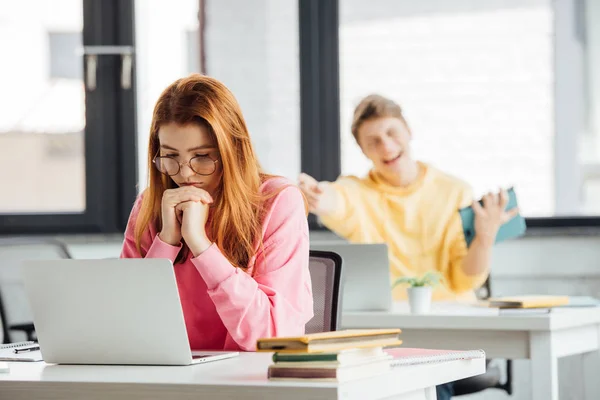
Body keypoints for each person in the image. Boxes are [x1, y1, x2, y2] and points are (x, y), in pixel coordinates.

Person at [298, 94, 517, 399]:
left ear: (408, 130)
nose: (385, 146)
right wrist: (319, 197)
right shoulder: (359, 193)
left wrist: (485, 237)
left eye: (391, 133)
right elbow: (337, 199)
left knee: (422, 382)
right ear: (362, 151)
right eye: (372, 141)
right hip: (388, 335)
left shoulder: (454, 191)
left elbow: (465, 279)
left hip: (448, 330)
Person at [121, 74, 313, 352]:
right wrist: (166, 242)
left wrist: (200, 244)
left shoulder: (277, 202)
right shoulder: (151, 205)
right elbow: (125, 326)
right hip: (168, 380)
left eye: (201, 156)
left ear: (232, 150)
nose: (184, 174)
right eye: (171, 157)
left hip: (247, 383)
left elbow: (273, 335)